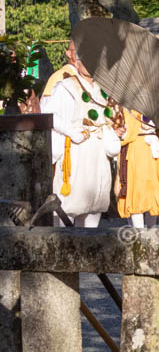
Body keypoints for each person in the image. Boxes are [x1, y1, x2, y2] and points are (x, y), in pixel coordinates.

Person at [48, 54, 124, 227]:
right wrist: (70, 131)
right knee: (68, 205)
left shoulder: (103, 90)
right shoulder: (66, 87)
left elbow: (107, 120)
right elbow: (49, 114)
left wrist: (113, 132)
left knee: (95, 205)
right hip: (76, 152)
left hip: (98, 153)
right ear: (77, 61)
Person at [117, 110, 159, 229]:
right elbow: (126, 133)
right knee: (138, 191)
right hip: (138, 149)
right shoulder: (130, 105)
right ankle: (139, 234)